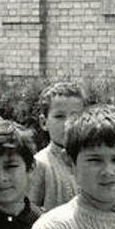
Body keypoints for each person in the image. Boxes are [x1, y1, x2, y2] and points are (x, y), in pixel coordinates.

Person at [26, 81, 85, 210]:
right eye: (59, 116)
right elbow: (29, 211)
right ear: (44, 122)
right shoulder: (40, 164)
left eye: (75, 116)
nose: (68, 123)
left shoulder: (89, 160)